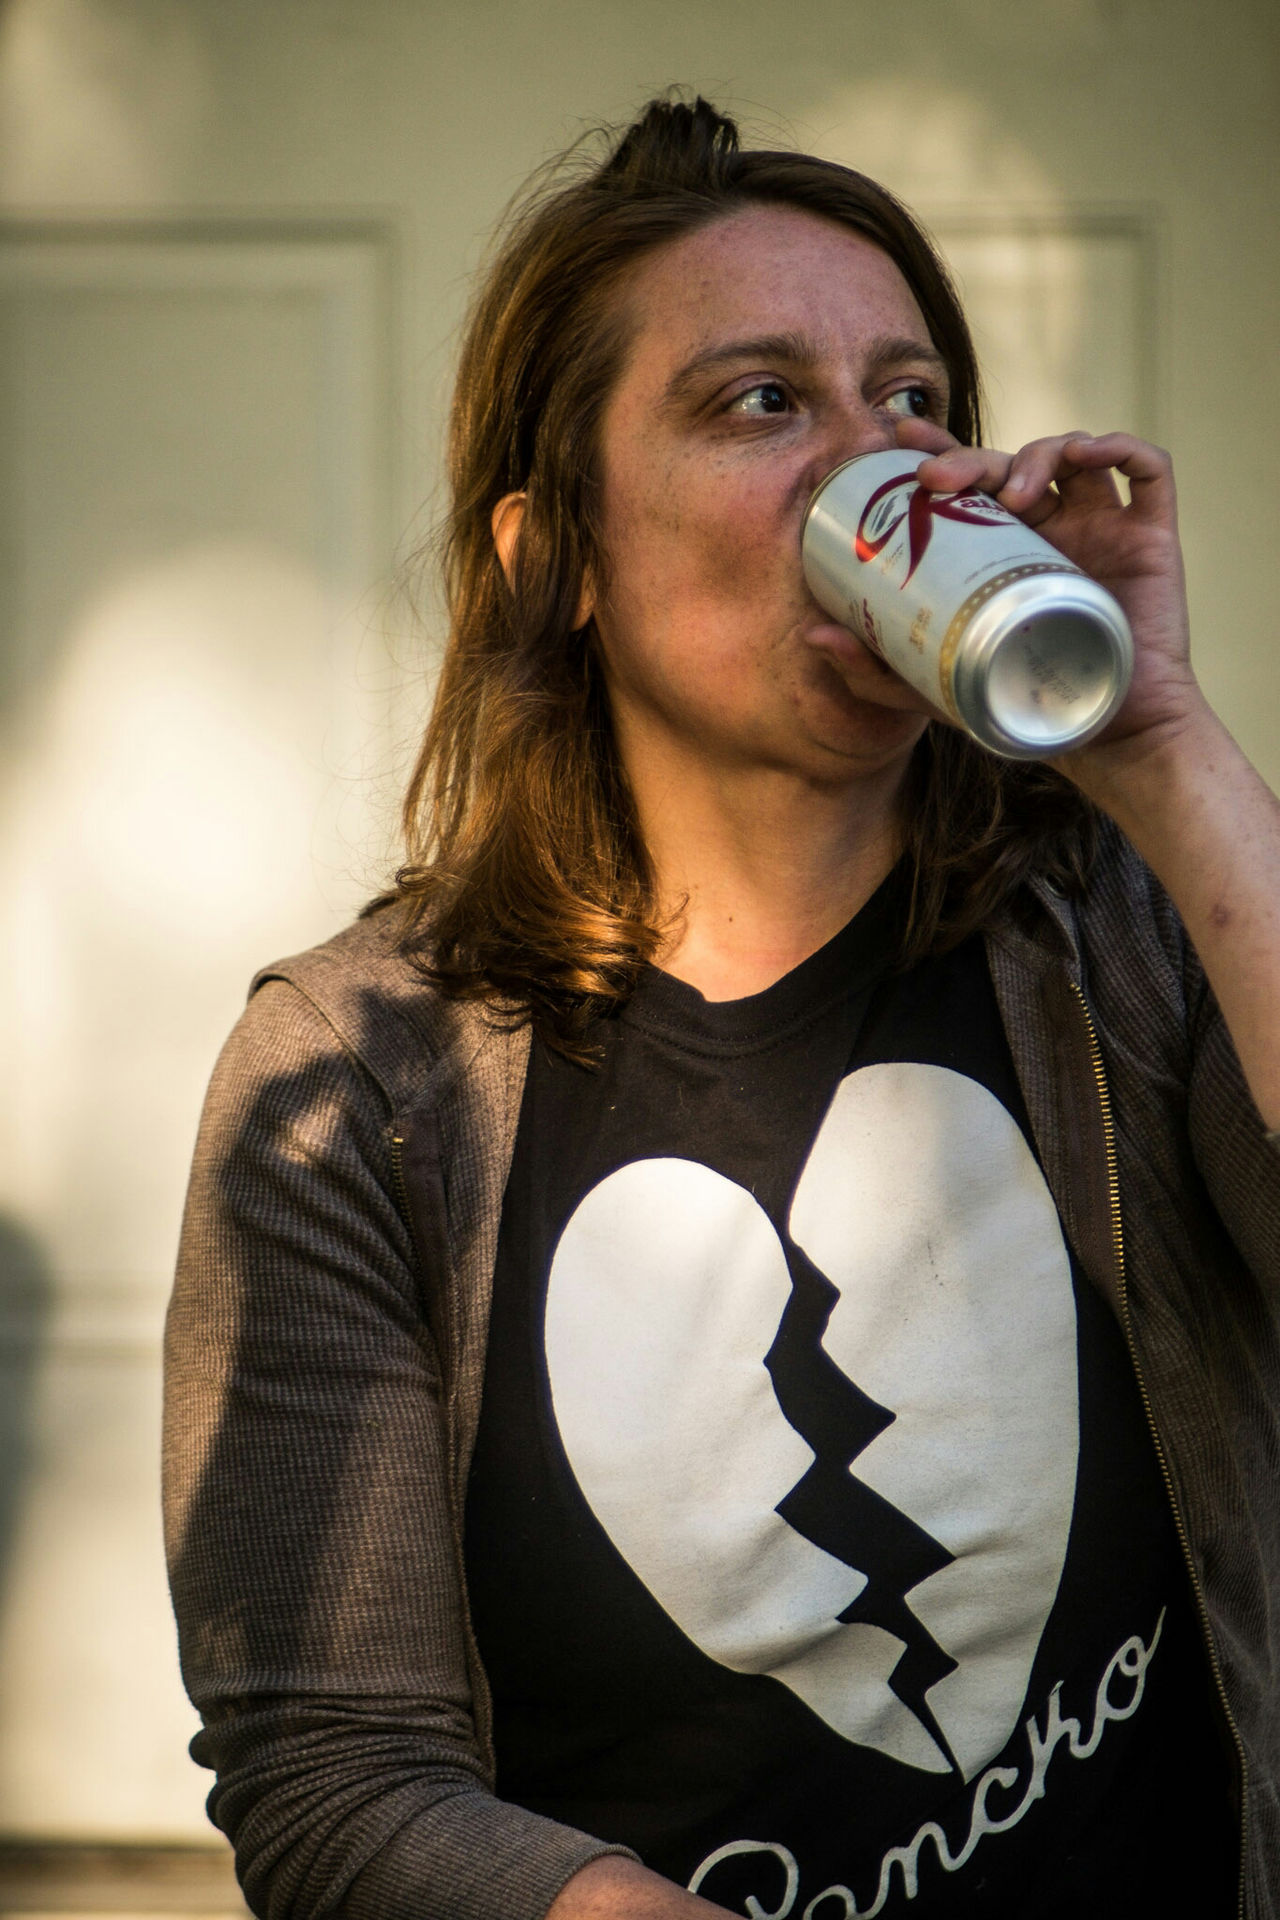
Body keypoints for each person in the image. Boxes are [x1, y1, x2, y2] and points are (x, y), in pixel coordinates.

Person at [163, 96, 1280, 1920]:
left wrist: (1158, 745)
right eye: (762, 402)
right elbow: (335, 1783)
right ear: (558, 562)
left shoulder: (1134, 938)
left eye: (913, 399)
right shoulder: (356, 1085)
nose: (887, 469)